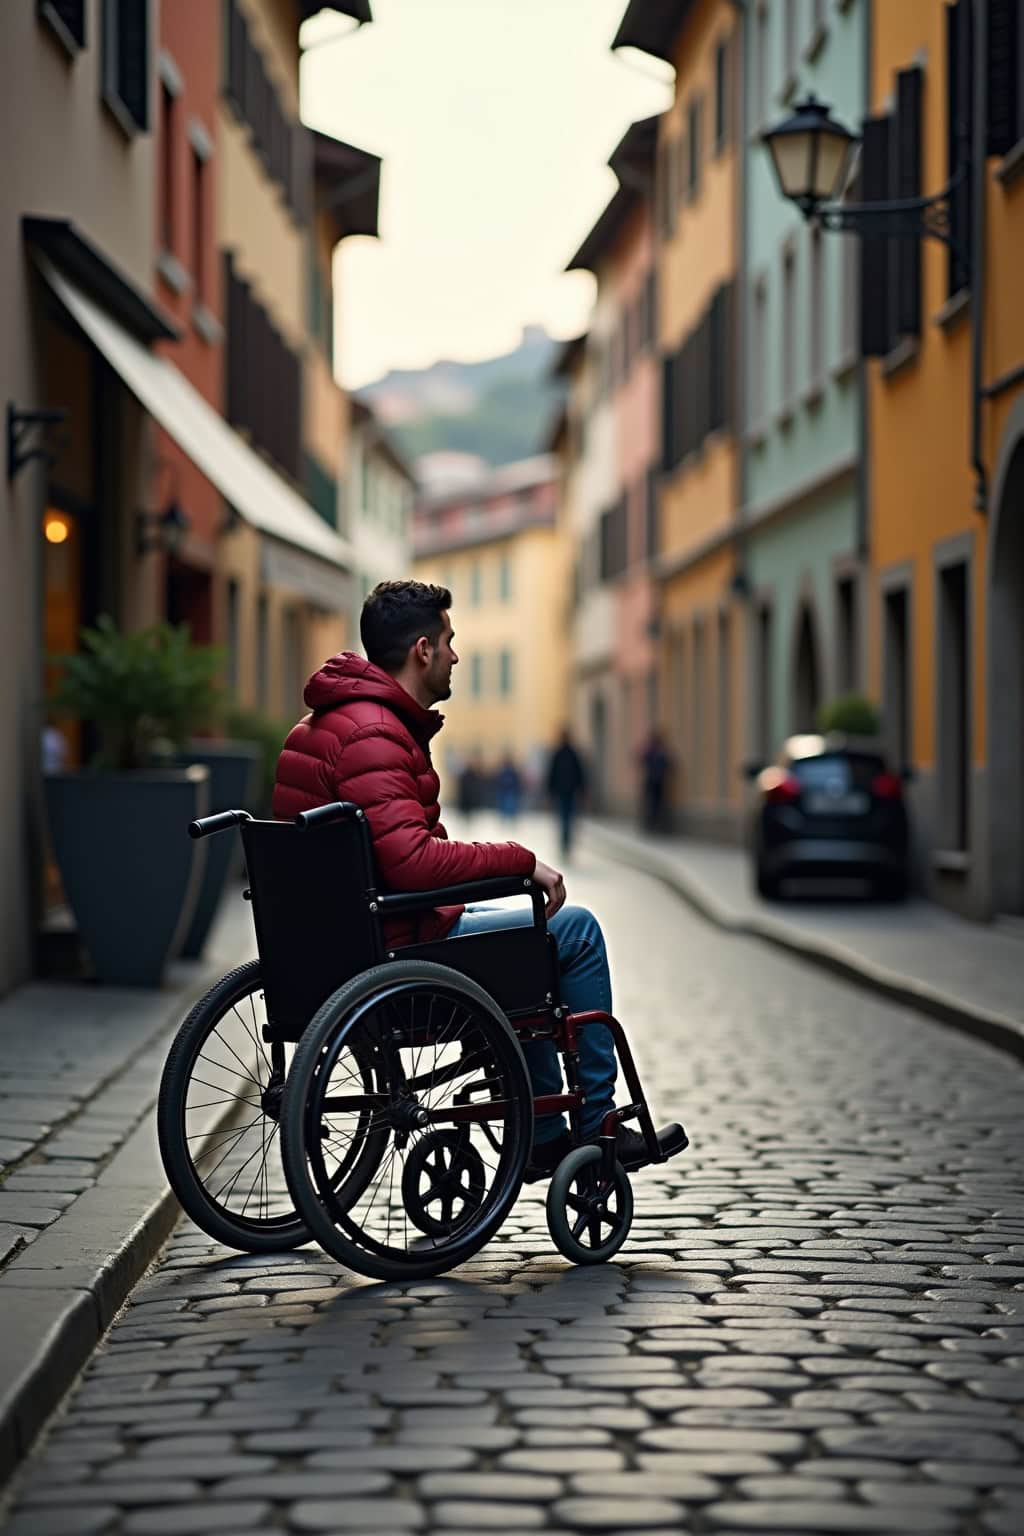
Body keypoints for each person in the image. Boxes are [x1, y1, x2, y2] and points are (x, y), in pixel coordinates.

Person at [274, 579, 670, 1174]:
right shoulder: (374, 733)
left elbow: (398, 854)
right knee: (575, 931)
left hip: (353, 941)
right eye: (450, 642)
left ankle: (541, 1124)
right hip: (395, 951)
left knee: (528, 939)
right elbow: (412, 862)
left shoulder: (329, 723)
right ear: (422, 651)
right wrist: (518, 860)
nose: (457, 656)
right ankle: (591, 1127)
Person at [546, 727, 587, 858]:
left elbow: (552, 773)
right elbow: (579, 773)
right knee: (566, 817)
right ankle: (565, 842)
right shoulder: (570, 753)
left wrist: (550, 790)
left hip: (566, 791)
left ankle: (565, 842)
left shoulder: (560, 754)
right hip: (567, 791)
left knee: (565, 817)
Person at [639, 729, 673, 833]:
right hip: (654, 783)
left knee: (655, 805)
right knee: (652, 805)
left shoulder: (659, 753)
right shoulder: (655, 752)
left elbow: (669, 765)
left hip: (656, 783)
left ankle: (654, 825)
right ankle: (651, 824)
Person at [495, 754, 523, 821]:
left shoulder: (512, 772)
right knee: (504, 808)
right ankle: (505, 819)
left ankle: (510, 819)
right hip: (504, 793)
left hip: (510, 793)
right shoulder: (502, 771)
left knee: (510, 807)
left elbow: (516, 783)